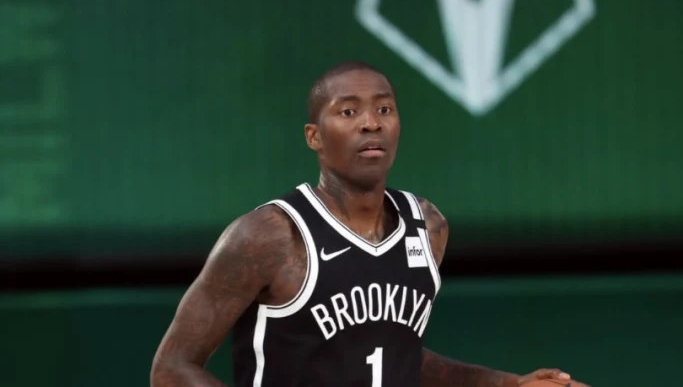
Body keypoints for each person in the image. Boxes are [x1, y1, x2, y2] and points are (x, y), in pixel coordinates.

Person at [151, 61, 590, 387]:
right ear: (314, 136)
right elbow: (171, 368)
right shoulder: (270, 235)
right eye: (348, 112)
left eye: (384, 109)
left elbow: (390, 353)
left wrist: (507, 383)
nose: (371, 123)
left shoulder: (428, 227)